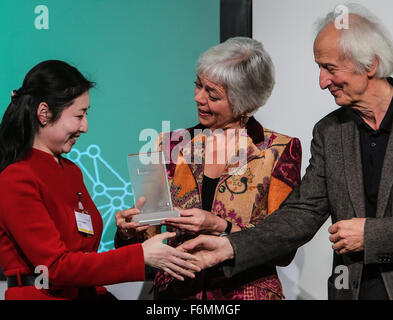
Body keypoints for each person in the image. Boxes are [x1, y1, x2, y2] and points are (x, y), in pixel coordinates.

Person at [180, 4, 393, 300]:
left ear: (369, 65)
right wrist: (230, 246)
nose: (322, 82)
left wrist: (373, 236)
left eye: (329, 68)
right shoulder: (330, 132)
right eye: (319, 67)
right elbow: (301, 214)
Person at [0, 60, 199, 300]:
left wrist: (126, 235)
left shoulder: (70, 170)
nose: (85, 126)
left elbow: (82, 252)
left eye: (86, 115)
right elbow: (56, 268)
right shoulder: (16, 179)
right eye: (79, 115)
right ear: (44, 113)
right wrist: (139, 255)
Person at [115, 37, 302, 300]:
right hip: (176, 294)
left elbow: (283, 247)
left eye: (212, 94)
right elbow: (148, 238)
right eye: (198, 85)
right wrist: (127, 231)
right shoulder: (169, 145)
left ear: (244, 100)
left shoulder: (279, 149)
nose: (198, 98)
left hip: (245, 293)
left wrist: (221, 226)